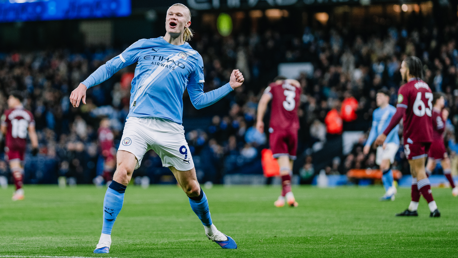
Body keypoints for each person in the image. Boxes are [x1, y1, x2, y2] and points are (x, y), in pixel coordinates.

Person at [69, 3, 244, 253]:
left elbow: (198, 100)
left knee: (192, 187)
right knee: (122, 172)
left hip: (171, 129)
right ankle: (104, 238)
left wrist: (229, 86)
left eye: (179, 15)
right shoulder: (144, 44)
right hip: (138, 122)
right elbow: (111, 66)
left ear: (187, 23)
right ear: (166, 20)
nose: (173, 17)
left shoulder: (193, 58)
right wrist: (84, 84)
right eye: (170, 14)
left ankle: (211, 230)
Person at [375, 56, 440, 217]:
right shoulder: (426, 87)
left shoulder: (406, 88)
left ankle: (433, 208)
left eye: (403, 67)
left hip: (414, 135)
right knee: (414, 171)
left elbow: (399, 113)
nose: (400, 70)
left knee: (419, 171)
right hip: (426, 133)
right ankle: (412, 207)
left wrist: (384, 133)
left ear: (409, 70)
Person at [256, 76, 301, 207]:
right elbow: (297, 83)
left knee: (283, 164)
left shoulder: (273, 87)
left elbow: (264, 101)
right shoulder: (295, 87)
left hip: (278, 127)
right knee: (289, 164)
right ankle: (282, 197)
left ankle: (289, 194)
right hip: (293, 129)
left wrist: (259, 120)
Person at [0, 91, 39, 201]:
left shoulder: (7, 113)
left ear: (17, 100)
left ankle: (19, 191)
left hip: (11, 143)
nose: (8, 101)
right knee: (20, 167)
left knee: (14, 167)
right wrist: (35, 145)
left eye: (10, 98)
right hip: (22, 144)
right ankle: (19, 189)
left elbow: (3, 130)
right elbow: (32, 131)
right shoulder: (28, 114)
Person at [363, 89, 399, 201]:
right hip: (381, 143)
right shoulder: (376, 112)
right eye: (377, 97)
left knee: (384, 164)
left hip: (392, 142)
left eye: (380, 96)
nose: (377, 99)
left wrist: (386, 140)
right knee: (383, 167)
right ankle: (390, 191)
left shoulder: (393, 111)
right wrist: (368, 144)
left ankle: (391, 189)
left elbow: (395, 128)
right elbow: (374, 130)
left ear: (387, 98)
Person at [425, 93, 458, 196]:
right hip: (437, 142)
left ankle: (420, 186)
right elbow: (440, 128)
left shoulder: (434, 112)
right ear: (438, 100)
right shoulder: (436, 113)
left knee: (431, 165)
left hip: (434, 141)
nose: (444, 101)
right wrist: (444, 118)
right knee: (445, 162)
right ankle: (454, 187)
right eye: (442, 99)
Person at [94, 117, 116, 186]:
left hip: (110, 150)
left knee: (109, 166)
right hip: (106, 151)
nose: (108, 122)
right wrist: (104, 150)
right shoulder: (102, 131)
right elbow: (102, 142)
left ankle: (103, 179)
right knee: (107, 166)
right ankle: (104, 179)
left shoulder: (108, 130)